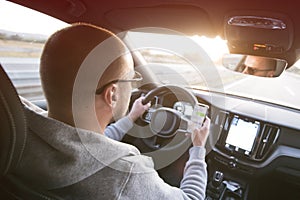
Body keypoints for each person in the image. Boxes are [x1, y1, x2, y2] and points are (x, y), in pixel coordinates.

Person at [18, 23, 211, 200]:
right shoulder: (125, 174)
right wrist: (198, 150)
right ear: (112, 94)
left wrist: (131, 117)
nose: (134, 86)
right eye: (131, 79)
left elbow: (86, 143)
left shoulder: (15, 127)